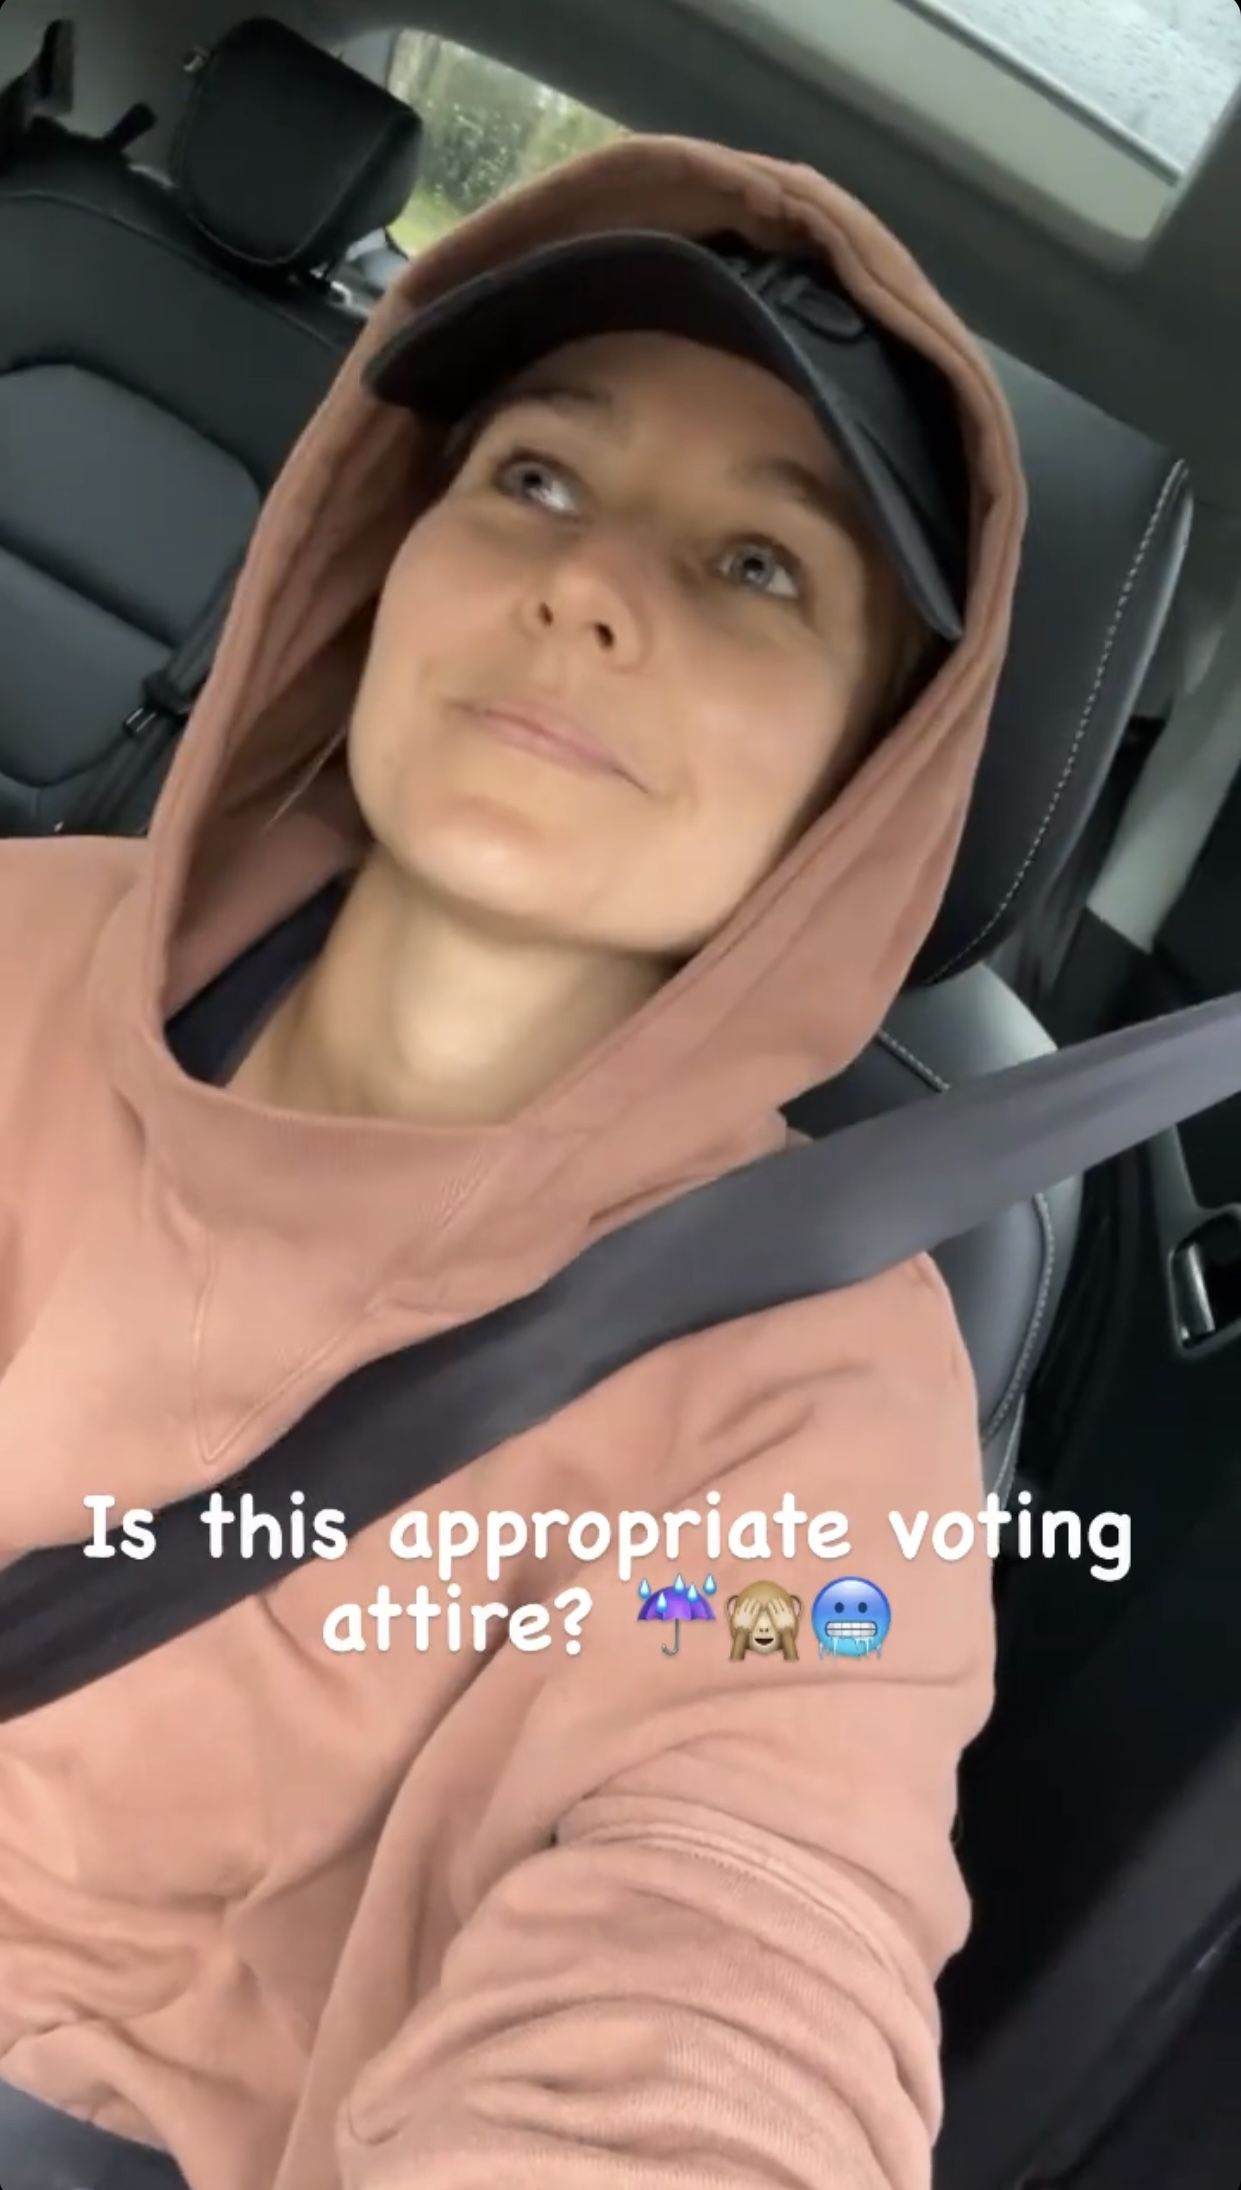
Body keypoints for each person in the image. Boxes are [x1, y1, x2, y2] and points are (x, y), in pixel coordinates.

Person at [0, 130, 1024, 2190]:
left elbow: (749, 1910)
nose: (588, 587)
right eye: (537, 478)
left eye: (758, 567)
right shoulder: (26, 941)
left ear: (862, 773)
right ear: (387, 560)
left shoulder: (819, 1402)